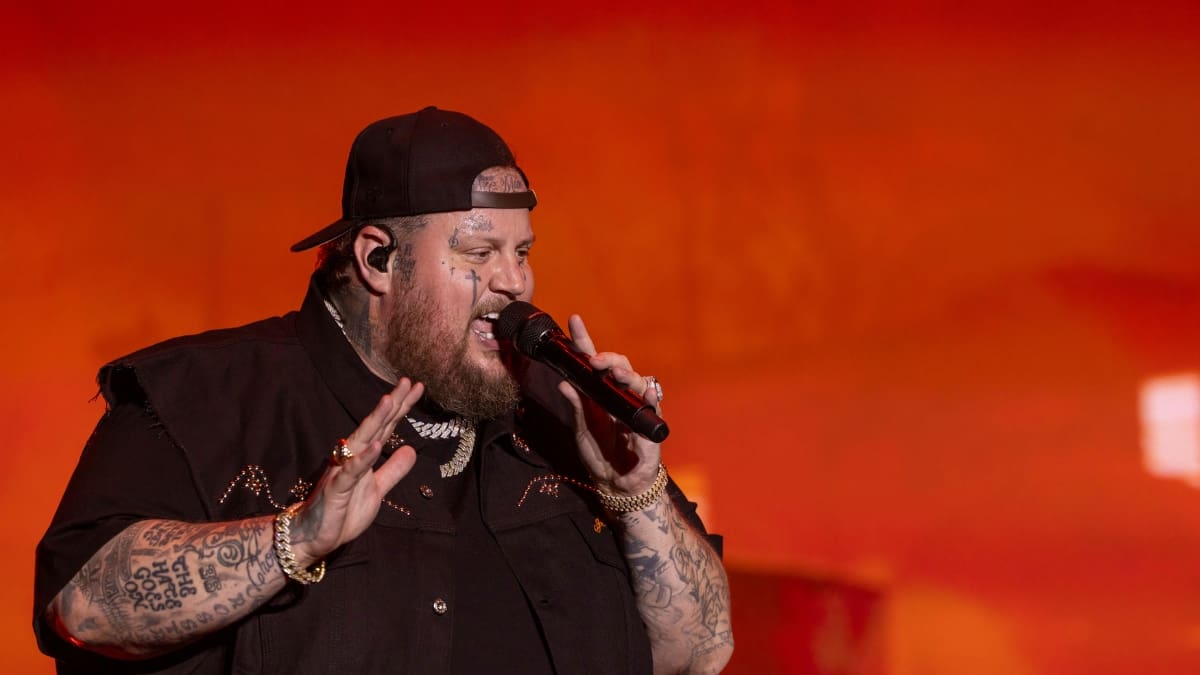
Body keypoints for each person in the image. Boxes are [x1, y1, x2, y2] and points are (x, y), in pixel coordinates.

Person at [34, 107, 734, 674]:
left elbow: (702, 651)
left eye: (521, 254)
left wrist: (636, 491)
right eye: (478, 252)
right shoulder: (211, 398)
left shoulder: (563, 418)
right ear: (378, 259)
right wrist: (295, 539)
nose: (514, 283)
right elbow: (84, 604)